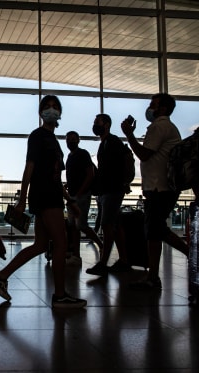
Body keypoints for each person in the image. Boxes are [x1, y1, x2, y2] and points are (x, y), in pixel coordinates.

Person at [0, 95, 87, 308]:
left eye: (55, 107)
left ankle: (1, 276)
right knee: (60, 244)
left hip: (50, 194)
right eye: (47, 107)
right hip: (45, 196)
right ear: (40, 113)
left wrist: (69, 199)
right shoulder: (38, 136)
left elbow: (56, 177)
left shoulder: (53, 140)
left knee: (41, 244)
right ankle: (60, 295)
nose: (51, 110)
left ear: (60, 113)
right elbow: (29, 167)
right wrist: (22, 199)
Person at [121, 93, 189, 289]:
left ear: (163, 109)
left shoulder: (160, 126)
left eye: (153, 105)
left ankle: (156, 274)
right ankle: (154, 274)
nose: (150, 108)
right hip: (159, 186)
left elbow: (144, 154)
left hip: (159, 187)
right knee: (156, 230)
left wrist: (129, 134)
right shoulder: (167, 127)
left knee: (155, 230)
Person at [86, 114, 132, 276]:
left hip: (113, 190)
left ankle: (103, 263)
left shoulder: (112, 141)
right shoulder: (104, 143)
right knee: (115, 225)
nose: (94, 124)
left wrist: (126, 181)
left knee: (107, 225)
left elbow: (127, 157)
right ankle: (124, 261)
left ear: (106, 124)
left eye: (96, 121)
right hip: (108, 190)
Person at [64, 130, 103, 267]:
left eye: (73, 139)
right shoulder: (70, 156)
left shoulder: (82, 154)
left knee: (80, 225)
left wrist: (80, 193)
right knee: (74, 226)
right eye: (69, 139)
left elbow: (90, 174)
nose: (71, 141)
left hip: (81, 195)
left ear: (78, 140)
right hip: (73, 195)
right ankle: (76, 255)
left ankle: (99, 244)